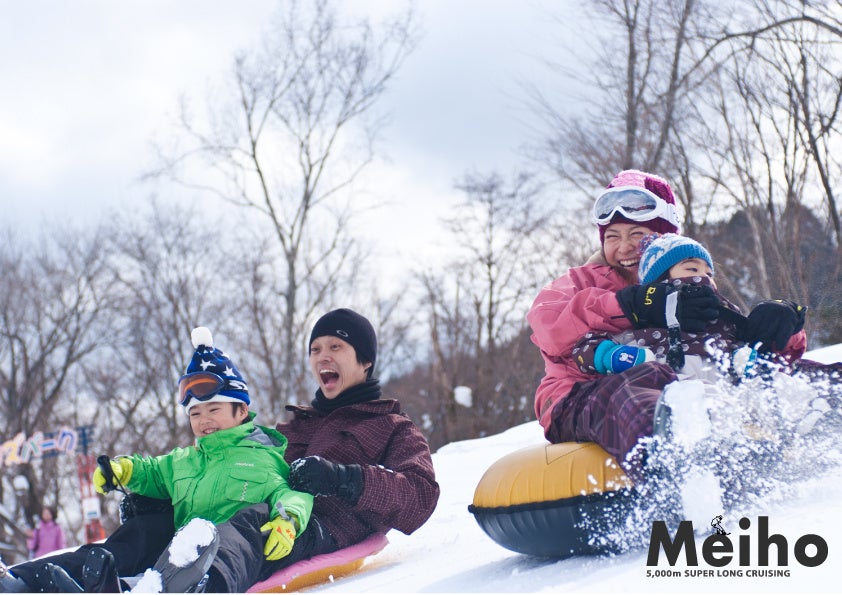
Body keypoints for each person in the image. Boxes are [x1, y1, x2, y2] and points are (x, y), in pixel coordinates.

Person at [526, 169, 811, 481]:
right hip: (579, 396)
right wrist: (632, 304)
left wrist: (781, 328)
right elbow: (549, 327)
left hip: (683, 387)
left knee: (787, 379)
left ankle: (815, 434)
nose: (623, 247)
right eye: (612, 236)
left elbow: (742, 351)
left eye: (636, 235)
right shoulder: (579, 281)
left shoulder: (688, 286)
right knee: (649, 378)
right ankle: (669, 475)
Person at [1, 327, 314, 593]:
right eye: (195, 412)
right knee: (142, 531)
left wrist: (288, 522)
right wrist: (124, 470)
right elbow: (151, 471)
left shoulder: (264, 458)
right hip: (174, 556)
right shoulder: (184, 460)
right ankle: (34, 580)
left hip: (228, 557)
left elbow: (291, 494)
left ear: (241, 410)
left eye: (214, 409)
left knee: (239, 529)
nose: (204, 419)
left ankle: (203, 587)